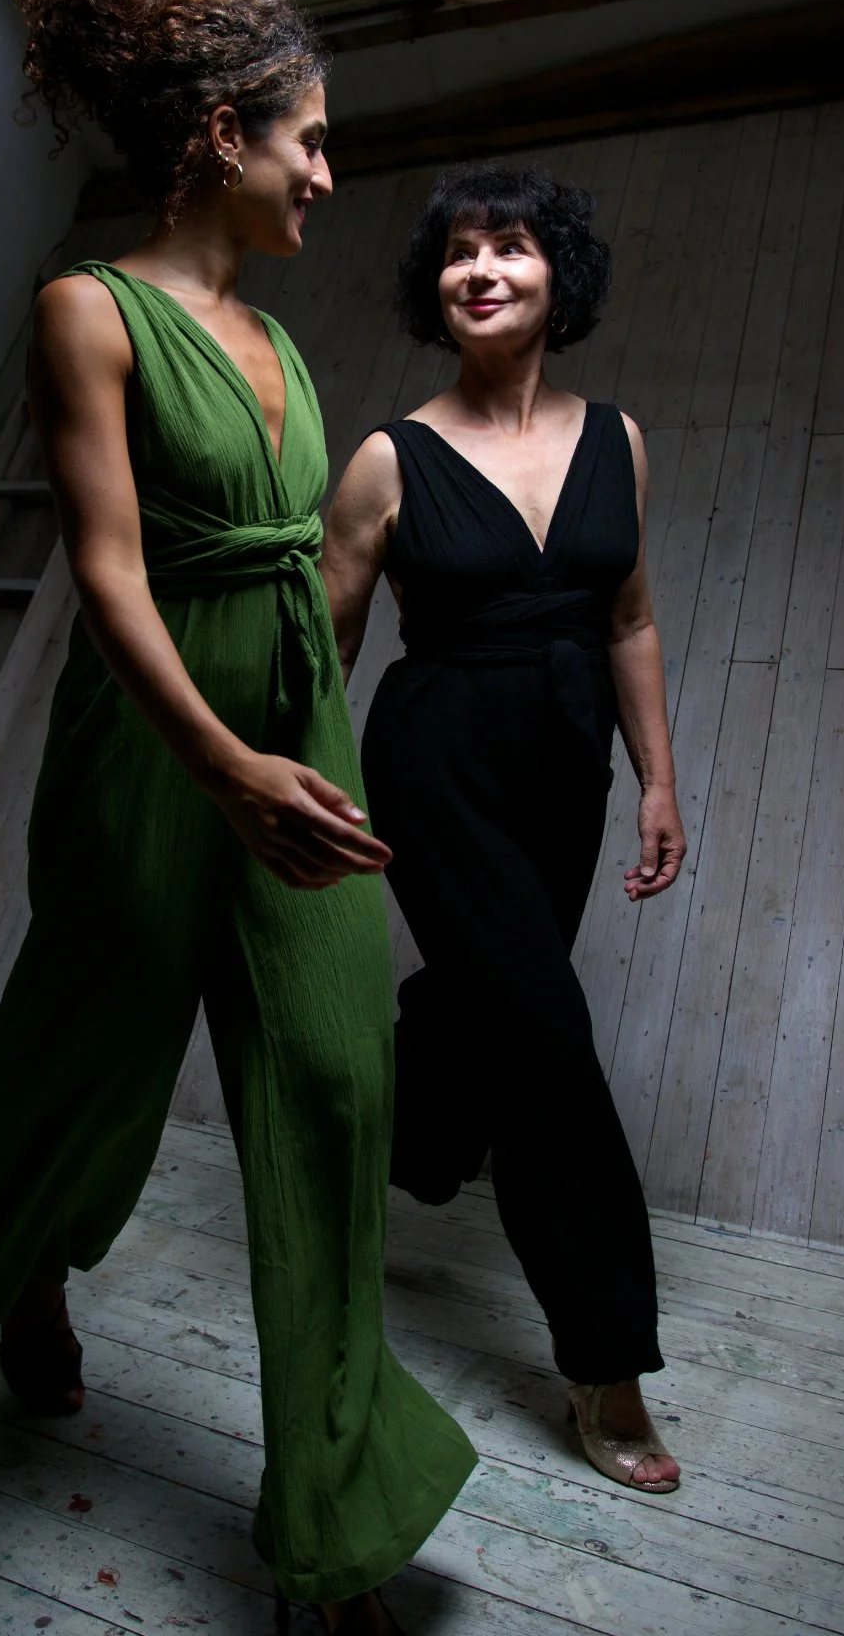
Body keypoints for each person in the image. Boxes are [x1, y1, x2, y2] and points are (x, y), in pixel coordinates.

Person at [0, 0, 475, 1633]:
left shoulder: (287, 350)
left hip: (286, 764)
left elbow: (310, 581)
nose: (329, 164)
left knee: (332, 1090)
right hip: (153, 763)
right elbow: (105, 572)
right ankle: (25, 1266)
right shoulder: (85, 311)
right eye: (307, 133)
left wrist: (303, 752)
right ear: (219, 136)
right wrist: (220, 760)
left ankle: (333, 1510)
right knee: (79, 1057)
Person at [321, 163, 686, 1495]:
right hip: (440, 759)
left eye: (512, 248)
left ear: (556, 279)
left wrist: (654, 777)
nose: (482, 269)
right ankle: (608, 1366)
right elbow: (328, 645)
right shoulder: (388, 459)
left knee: (487, 1002)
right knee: (548, 1038)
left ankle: (403, 1141)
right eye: (459, 254)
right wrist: (289, 793)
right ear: (437, 290)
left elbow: (629, 619)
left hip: (570, 765)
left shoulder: (620, 441)